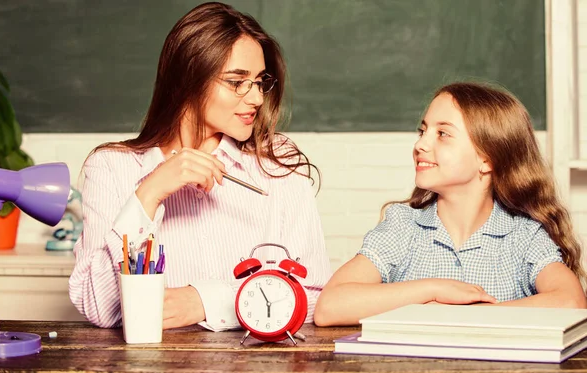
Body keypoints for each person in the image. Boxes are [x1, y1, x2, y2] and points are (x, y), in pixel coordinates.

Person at [69, 1, 331, 331]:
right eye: (237, 82)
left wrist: (206, 301)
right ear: (189, 81)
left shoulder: (277, 162)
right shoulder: (110, 167)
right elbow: (99, 307)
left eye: (260, 81)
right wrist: (148, 195)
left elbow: (315, 295)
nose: (256, 99)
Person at [314, 82, 587, 327]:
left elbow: (572, 303)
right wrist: (434, 289)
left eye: (442, 133)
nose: (421, 144)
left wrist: (458, 317)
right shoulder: (403, 226)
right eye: (423, 131)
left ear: (486, 159)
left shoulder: (524, 236)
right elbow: (330, 307)